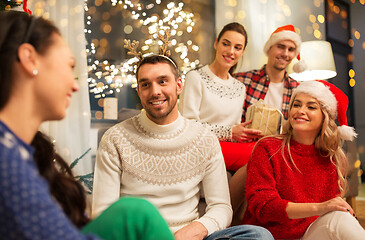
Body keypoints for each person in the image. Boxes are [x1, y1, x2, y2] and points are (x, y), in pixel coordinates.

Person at [0, 10, 173, 240]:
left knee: (134, 213)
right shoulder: (7, 161)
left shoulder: (19, 150)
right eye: (68, 67)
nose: (75, 85)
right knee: (139, 213)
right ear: (30, 59)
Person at [91, 54, 274, 240]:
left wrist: (200, 227)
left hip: (189, 237)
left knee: (259, 235)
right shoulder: (115, 139)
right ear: (138, 90)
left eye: (163, 81)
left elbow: (221, 207)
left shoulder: (204, 139)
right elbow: (103, 214)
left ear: (179, 85)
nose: (155, 91)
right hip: (140, 237)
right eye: (145, 84)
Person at [243, 80, 365, 239]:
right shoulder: (267, 148)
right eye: (296, 105)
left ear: (324, 117)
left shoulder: (331, 158)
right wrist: (320, 207)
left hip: (309, 234)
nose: (301, 110)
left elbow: (330, 215)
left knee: (341, 218)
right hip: (269, 235)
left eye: (311, 107)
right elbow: (263, 207)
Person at [229, 24, 305, 221]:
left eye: (291, 49)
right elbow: (231, 118)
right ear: (269, 49)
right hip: (248, 148)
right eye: (280, 47)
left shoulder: (298, 90)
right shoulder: (242, 80)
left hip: (281, 151)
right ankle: (229, 221)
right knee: (255, 163)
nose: (285, 53)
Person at [178, 22, 261, 172]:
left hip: (227, 150)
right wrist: (230, 132)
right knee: (259, 155)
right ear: (216, 43)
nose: (231, 51)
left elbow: (234, 130)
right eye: (226, 44)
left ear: (242, 52)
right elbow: (188, 126)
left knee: (264, 150)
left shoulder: (240, 88)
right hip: (199, 147)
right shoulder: (195, 78)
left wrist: (243, 133)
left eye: (237, 47)